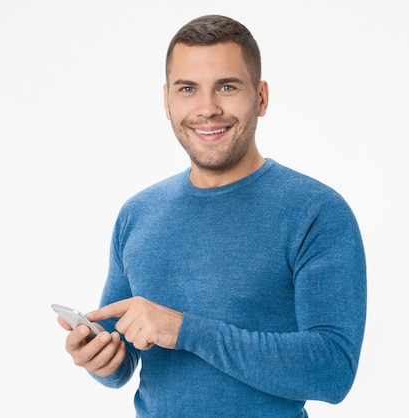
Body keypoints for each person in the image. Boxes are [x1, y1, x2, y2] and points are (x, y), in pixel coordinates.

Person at [55, 14, 366, 418]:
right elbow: (124, 360)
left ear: (261, 97)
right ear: (167, 101)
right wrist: (103, 359)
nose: (207, 108)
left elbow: (332, 372)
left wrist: (185, 330)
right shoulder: (137, 214)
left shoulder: (317, 212)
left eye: (227, 87)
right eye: (188, 89)